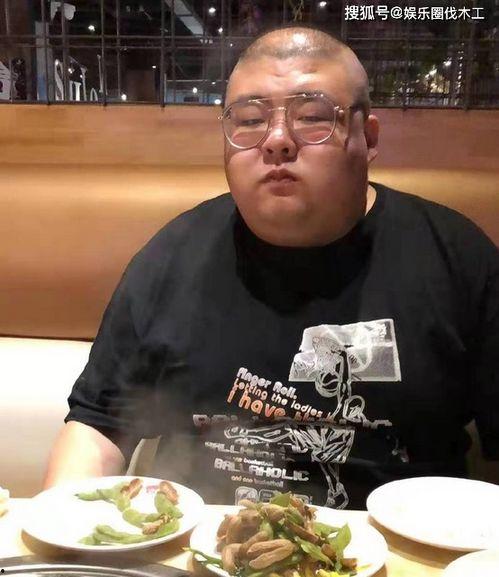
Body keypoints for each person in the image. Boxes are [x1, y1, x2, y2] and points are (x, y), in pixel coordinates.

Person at [44, 26, 499, 509]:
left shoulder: (455, 257)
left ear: (367, 138)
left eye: (312, 117)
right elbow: (97, 427)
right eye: (249, 120)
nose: (277, 141)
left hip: (397, 540)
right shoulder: (174, 254)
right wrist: (62, 532)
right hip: (201, 536)